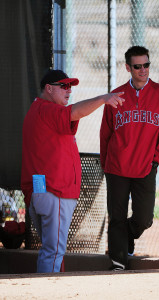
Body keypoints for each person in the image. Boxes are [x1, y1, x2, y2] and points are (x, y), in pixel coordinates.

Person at [21, 69, 124, 273]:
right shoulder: (46, 109)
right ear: (48, 89)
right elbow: (75, 112)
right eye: (64, 86)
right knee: (53, 251)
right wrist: (103, 98)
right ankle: (48, 291)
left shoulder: (38, 110)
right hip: (54, 192)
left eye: (70, 86)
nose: (68, 91)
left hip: (43, 190)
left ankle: (50, 286)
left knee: (52, 249)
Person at [100, 46, 159, 270]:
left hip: (145, 166)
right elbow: (106, 133)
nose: (143, 70)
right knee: (117, 216)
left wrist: (156, 160)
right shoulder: (117, 95)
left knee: (144, 219)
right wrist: (106, 164)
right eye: (138, 66)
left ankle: (124, 238)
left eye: (146, 65)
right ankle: (118, 262)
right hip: (117, 166)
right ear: (128, 68)